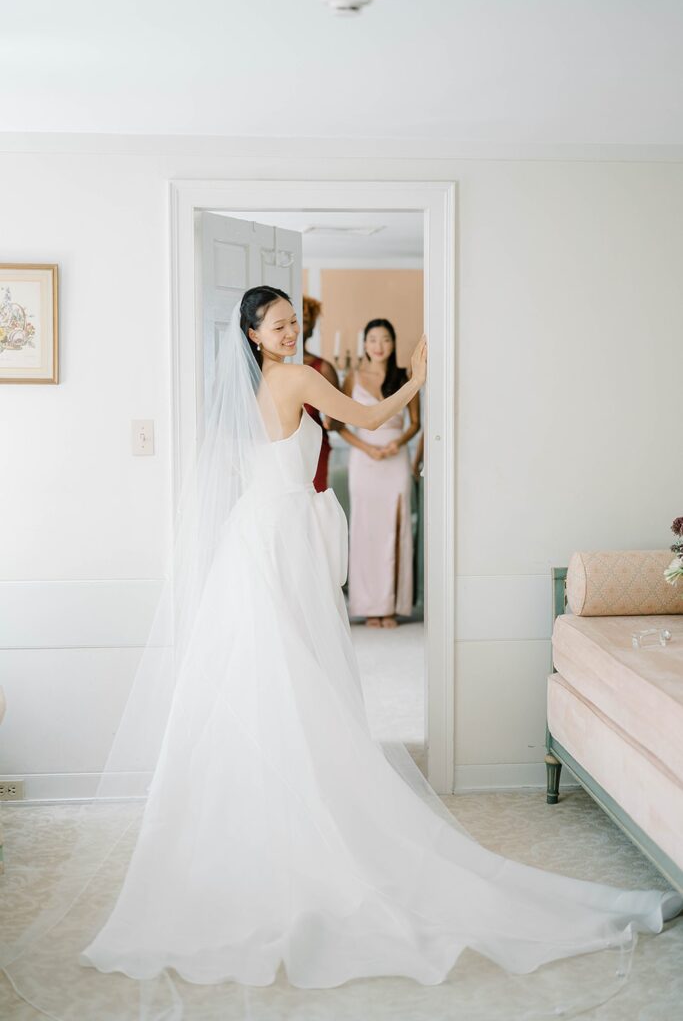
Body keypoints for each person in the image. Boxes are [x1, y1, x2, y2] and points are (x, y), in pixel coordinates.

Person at [2, 285, 680, 1021]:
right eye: (280, 325)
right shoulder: (291, 378)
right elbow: (368, 415)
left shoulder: (244, 390)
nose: (293, 333)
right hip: (283, 537)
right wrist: (417, 380)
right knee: (296, 675)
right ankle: (304, 815)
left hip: (253, 539)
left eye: (295, 322)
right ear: (256, 336)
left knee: (258, 680)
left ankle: (266, 823)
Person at [338, 318, 420, 628]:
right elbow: (339, 425)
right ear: (365, 344)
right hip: (364, 460)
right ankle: (369, 606)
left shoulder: (405, 377)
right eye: (373, 339)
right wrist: (367, 448)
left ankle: (391, 606)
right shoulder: (352, 378)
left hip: (395, 460)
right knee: (365, 530)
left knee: (394, 529)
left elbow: (415, 423)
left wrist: (397, 443)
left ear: (393, 343)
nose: (379, 345)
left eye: (385, 339)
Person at [301, 294, 342, 492]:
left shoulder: (323, 368)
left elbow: (337, 420)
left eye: (305, 321)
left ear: (312, 329)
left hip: (315, 447)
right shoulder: (268, 368)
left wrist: (332, 417)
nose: (299, 327)